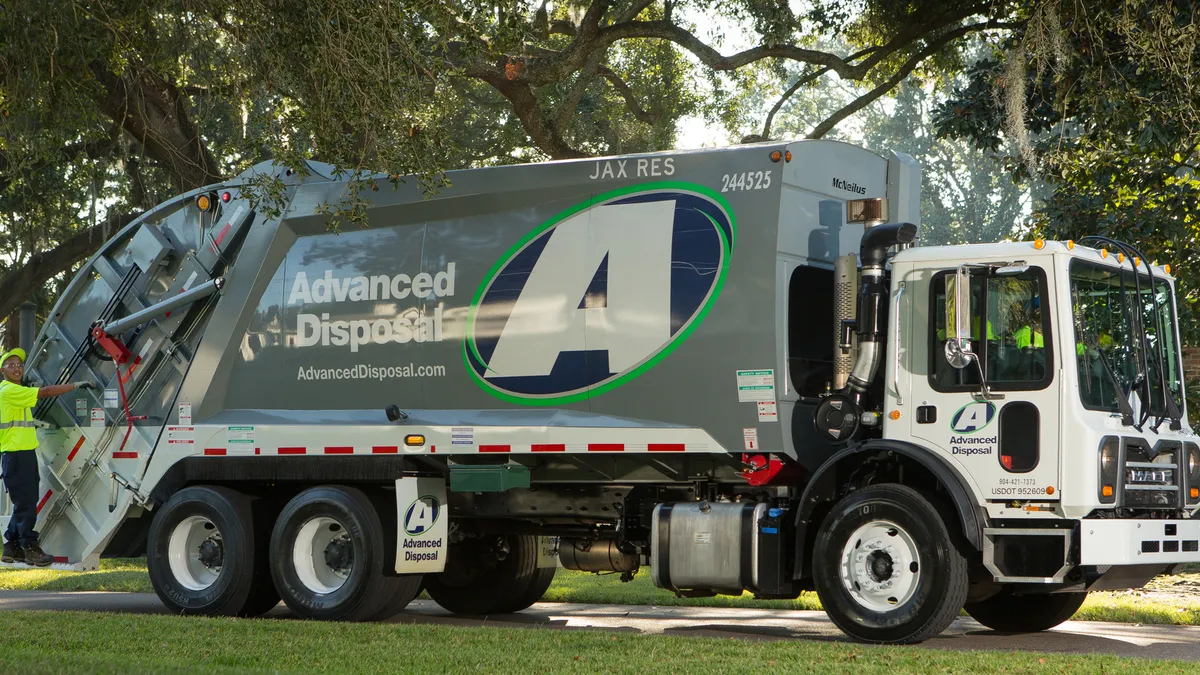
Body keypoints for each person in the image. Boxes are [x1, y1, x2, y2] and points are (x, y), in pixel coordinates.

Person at [1, 348, 94, 566]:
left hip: (21, 454)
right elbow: (46, 392)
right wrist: (76, 385)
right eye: (11, 364)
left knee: (26, 501)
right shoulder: (8, 391)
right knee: (26, 503)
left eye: (19, 364)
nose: (17, 368)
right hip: (16, 456)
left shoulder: (16, 391)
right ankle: (29, 547)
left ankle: (11, 547)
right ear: (1, 370)